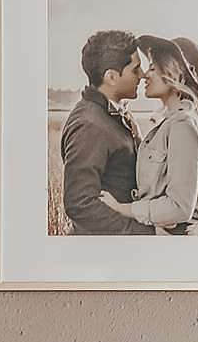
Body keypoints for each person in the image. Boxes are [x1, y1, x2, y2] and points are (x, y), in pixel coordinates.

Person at [98, 35, 198, 235]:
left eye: (153, 67)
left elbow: (179, 207)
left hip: (177, 248)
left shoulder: (183, 126)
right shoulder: (171, 124)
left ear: (177, 73)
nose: (145, 75)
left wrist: (122, 208)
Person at [59, 30, 156, 236]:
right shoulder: (89, 125)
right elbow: (80, 204)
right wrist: (141, 234)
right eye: (136, 69)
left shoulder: (112, 113)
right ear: (111, 77)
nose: (143, 75)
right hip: (102, 255)